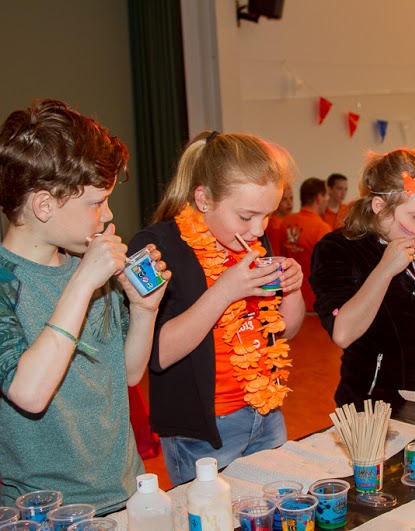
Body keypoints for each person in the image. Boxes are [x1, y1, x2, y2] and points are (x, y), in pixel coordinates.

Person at [0, 99, 170, 512]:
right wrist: (82, 283)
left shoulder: (87, 267)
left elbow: (127, 374)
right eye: (96, 202)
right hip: (41, 511)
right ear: (44, 205)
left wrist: (144, 311)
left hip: (123, 492)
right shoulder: (13, 282)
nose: (107, 215)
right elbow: (30, 393)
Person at [129, 131, 305, 485]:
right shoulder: (155, 247)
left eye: (267, 216)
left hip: (266, 413)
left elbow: (286, 329)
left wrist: (294, 290)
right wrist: (224, 291)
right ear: (204, 198)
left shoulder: (252, 240)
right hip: (201, 434)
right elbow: (156, 354)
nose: (258, 230)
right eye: (246, 216)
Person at [310, 149, 415, 408]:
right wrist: (385, 270)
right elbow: (342, 333)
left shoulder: (413, 243)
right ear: (380, 207)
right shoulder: (338, 249)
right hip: (373, 407)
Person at [280, 177, 332, 311]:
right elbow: (328, 272)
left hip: (288, 299)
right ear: (319, 198)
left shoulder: (286, 222)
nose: (328, 200)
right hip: (314, 304)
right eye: (327, 196)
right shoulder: (322, 229)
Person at [264, 185, 293, 255]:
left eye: (291, 198)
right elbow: (275, 253)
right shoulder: (276, 225)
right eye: (284, 199)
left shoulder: (288, 221)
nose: (289, 203)